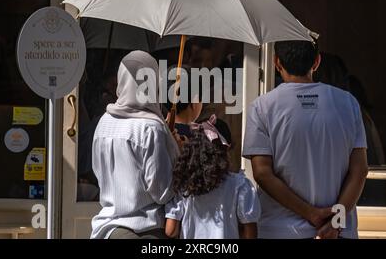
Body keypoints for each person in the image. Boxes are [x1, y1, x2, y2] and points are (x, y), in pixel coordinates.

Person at [243, 40, 369, 239]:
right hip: (337, 233)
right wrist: (335, 222)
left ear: (276, 63)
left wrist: (311, 214)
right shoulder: (348, 103)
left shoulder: (262, 107)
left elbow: (262, 173)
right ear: (316, 62)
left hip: (280, 231)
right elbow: (360, 170)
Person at [90, 51, 182, 239]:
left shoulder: (104, 122)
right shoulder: (150, 127)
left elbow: (99, 173)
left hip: (106, 229)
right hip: (144, 230)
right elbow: (162, 191)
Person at [165, 117, 260, 239]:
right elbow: (250, 231)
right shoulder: (240, 185)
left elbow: (170, 230)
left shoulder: (184, 186)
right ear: (226, 149)